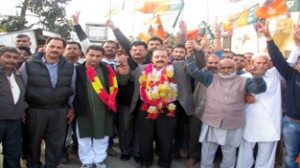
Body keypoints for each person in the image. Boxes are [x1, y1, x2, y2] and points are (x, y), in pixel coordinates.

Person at [185, 56, 267, 168]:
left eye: (229, 68)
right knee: (208, 151)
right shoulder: (210, 78)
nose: (226, 70)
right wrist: (189, 55)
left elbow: (259, 89)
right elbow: (193, 71)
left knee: (229, 153)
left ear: (235, 68)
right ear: (218, 69)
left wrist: (257, 76)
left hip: (232, 123)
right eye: (223, 68)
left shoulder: (245, 80)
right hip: (211, 122)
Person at [128, 48, 196, 168]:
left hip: (168, 108)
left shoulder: (178, 68)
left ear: (168, 57)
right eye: (157, 57)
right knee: (145, 137)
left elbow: (196, 65)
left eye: (163, 57)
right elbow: (128, 79)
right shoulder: (141, 69)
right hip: (146, 107)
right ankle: (145, 162)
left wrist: (192, 50)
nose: (160, 59)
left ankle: (165, 163)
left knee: (166, 138)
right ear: (152, 59)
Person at [19, 37, 76, 168]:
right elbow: (22, 87)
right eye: (52, 46)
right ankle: (33, 164)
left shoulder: (69, 66)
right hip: (35, 109)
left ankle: (51, 165)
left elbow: (72, 89)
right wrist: (22, 109)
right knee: (33, 140)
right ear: (45, 47)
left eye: (59, 47)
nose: (55, 50)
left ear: (63, 50)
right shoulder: (29, 64)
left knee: (56, 142)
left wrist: (71, 108)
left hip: (59, 110)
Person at [74, 44, 130, 168]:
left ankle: (99, 159)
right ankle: (87, 161)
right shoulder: (77, 70)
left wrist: (122, 74)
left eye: (98, 56)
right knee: (84, 137)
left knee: (103, 137)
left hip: (104, 109)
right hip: (84, 109)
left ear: (102, 57)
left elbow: (120, 83)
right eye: (91, 55)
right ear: (85, 55)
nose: (94, 58)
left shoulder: (108, 70)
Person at [258, 20, 300, 168]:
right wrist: (268, 36)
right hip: (291, 124)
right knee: (290, 157)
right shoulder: (291, 75)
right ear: (297, 64)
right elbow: (277, 58)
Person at [236, 53, 282, 168]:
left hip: (270, 121)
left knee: (266, 154)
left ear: (270, 63)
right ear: (252, 63)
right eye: (258, 63)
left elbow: (290, 61)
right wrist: (244, 98)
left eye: (264, 62)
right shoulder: (244, 77)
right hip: (250, 119)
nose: (261, 65)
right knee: (245, 150)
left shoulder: (275, 74)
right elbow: (234, 96)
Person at [0, 47, 28, 168]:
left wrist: (22, 110)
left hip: (14, 120)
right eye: (8, 56)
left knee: (13, 152)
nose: (11, 60)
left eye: (15, 58)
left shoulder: (18, 75)